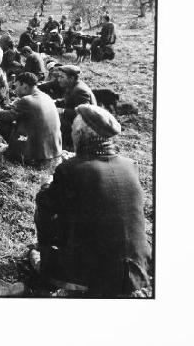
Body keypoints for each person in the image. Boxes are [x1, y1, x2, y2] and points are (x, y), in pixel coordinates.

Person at [32, 104, 151, 296]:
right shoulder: (131, 165)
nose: (70, 133)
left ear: (79, 133)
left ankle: (47, 257)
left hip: (93, 275)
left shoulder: (70, 170)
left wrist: (48, 185)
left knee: (45, 203)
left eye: (71, 130)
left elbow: (47, 205)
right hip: (137, 268)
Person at [0, 72, 62, 167]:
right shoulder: (45, 96)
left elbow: (9, 116)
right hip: (53, 150)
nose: (15, 90)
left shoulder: (27, 100)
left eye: (16, 86)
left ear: (25, 86)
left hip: (37, 154)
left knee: (3, 124)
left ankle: (18, 153)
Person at [55, 65, 96, 149]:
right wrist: (55, 102)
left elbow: (83, 114)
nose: (59, 80)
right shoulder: (73, 86)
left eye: (62, 77)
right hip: (74, 123)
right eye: (59, 77)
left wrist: (62, 111)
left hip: (84, 128)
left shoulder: (80, 90)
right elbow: (69, 100)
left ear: (71, 78)